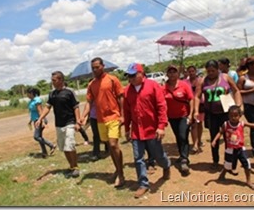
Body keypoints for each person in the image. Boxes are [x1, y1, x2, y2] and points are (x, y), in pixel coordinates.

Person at [123, 63, 171, 198]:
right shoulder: (127, 90)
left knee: (158, 155)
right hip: (136, 131)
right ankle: (143, 184)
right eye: (128, 76)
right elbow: (126, 112)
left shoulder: (153, 85)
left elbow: (162, 106)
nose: (130, 78)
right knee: (138, 158)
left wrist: (161, 126)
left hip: (152, 130)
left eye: (133, 75)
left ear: (141, 73)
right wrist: (127, 129)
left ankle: (166, 166)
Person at [81, 57, 125, 188]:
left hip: (113, 117)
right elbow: (89, 102)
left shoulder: (113, 79)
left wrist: (122, 115)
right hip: (100, 120)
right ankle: (117, 169)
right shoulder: (91, 84)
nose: (95, 70)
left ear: (103, 66)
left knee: (113, 144)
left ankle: (121, 174)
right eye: (93, 68)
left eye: (97, 67)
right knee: (109, 147)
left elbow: (121, 97)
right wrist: (83, 116)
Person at [194, 60, 242, 170]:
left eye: (213, 71)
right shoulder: (202, 81)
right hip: (211, 114)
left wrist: (238, 106)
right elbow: (197, 96)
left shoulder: (225, 77)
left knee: (229, 138)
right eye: (208, 71)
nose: (210, 73)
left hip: (226, 114)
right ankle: (215, 161)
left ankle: (229, 162)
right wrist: (196, 111)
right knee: (213, 137)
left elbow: (236, 90)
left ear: (218, 69)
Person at [35, 71, 81, 178]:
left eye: (54, 80)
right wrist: (40, 118)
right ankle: (71, 166)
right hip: (59, 124)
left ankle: (76, 167)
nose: (52, 82)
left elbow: (76, 107)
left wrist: (78, 121)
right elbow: (47, 107)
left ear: (60, 80)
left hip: (70, 122)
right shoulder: (52, 94)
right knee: (64, 147)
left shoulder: (69, 92)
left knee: (70, 145)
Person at [211, 105, 254, 190]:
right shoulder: (226, 124)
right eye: (231, 116)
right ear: (228, 115)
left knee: (247, 165)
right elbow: (220, 132)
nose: (233, 118)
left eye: (235, 116)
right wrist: (214, 140)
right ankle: (222, 175)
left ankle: (248, 181)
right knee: (227, 165)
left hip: (241, 149)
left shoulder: (242, 124)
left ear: (240, 116)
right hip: (230, 149)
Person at [163, 65, 194, 175]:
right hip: (172, 117)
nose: (172, 74)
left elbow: (191, 99)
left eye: (174, 72)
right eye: (170, 72)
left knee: (182, 135)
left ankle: (184, 159)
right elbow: (161, 103)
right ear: (167, 74)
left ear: (178, 73)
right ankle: (182, 155)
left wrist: (191, 114)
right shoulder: (164, 88)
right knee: (178, 136)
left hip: (183, 115)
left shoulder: (184, 85)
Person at [27, 87, 56, 158]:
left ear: (31, 93)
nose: (27, 95)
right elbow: (32, 112)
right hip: (35, 120)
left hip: (39, 120)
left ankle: (51, 145)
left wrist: (42, 121)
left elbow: (40, 111)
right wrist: (30, 121)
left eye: (27, 93)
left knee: (36, 137)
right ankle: (44, 153)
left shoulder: (37, 100)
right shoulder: (31, 101)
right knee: (39, 137)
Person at [184, 65, 205, 154]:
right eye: (190, 71)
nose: (191, 73)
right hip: (190, 105)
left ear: (196, 71)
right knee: (193, 125)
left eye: (193, 71)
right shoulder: (185, 82)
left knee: (200, 124)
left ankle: (199, 140)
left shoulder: (201, 80)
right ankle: (195, 144)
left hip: (201, 104)